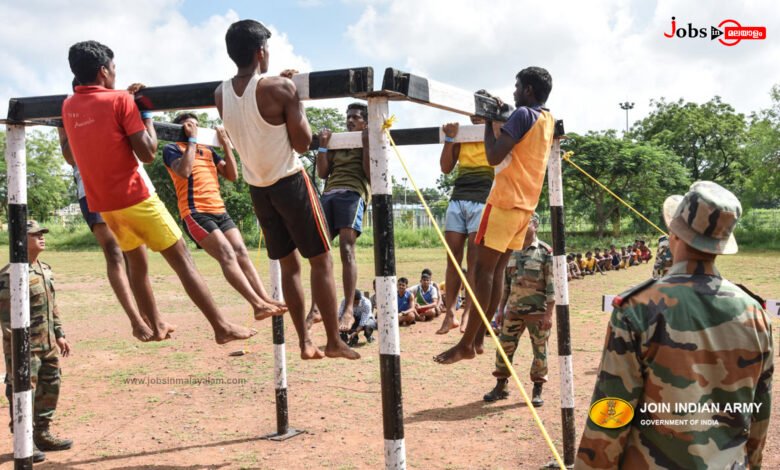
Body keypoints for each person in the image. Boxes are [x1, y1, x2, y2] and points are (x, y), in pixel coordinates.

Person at [62, 40, 254, 344]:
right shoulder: (120, 101)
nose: (115, 73)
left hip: (105, 204)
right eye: (113, 68)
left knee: (136, 264)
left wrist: (125, 98)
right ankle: (221, 326)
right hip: (135, 197)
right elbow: (149, 152)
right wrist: (146, 111)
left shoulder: (68, 105)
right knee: (183, 260)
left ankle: (154, 325)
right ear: (103, 71)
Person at [575, 181, 773, 469]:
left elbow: (612, 411)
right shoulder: (755, 314)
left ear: (674, 234)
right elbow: (759, 414)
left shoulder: (638, 308)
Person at [214, 20, 358, 359]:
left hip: (258, 189)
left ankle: (304, 342)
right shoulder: (279, 88)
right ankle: (334, 341)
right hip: (290, 182)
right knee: (321, 261)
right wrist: (293, 96)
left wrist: (280, 84)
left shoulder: (220, 94)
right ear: (260, 52)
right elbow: (304, 142)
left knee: (290, 267)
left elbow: (252, 114)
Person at [435, 66, 555, 365]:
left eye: (517, 87)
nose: (514, 92)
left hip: (503, 200)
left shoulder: (523, 114)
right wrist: (500, 115)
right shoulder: (547, 118)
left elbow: (493, 156)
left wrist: (489, 124)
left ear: (528, 90)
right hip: (525, 205)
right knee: (497, 271)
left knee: (481, 272)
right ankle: (476, 341)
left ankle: (466, 343)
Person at [162, 113, 286, 320]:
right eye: (189, 126)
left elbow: (231, 175)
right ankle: (257, 305)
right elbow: (183, 172)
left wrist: (226, 144)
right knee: (227, 255)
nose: (195, 128)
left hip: (219, 210)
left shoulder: (208, 150)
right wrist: (191, 140)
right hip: (195, 212)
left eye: (196, 126)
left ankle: (265, 298)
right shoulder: (172, 149)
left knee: (241, 252)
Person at [57, 118, 156, 342]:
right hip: (91, 187)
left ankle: (149, 315)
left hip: (125, 185)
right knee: (113, 251)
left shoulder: (114, 105)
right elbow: (70, 157)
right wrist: (75, 119)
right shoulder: (68, 113)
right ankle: (136, 321)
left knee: (136, 253)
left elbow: (144, 149)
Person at [1, 221, 73, 463]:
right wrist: (19, 349)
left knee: (51, 386)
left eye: (43, 234)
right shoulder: (10, 274)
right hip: (25, 347)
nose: (42, 237)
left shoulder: (44, 269)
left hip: (49, 343)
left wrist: (60, 334)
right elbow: (5, 317)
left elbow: (52, 307)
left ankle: (42, 433)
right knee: (23, 391)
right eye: (35, 234)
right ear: (21, 239)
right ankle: (25, 439)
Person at [483, 214, 554, 407]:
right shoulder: (512, 251)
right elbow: (505, 284)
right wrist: (500, 309)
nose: (522, 224)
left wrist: (549, 314)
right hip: (513, 311)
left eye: (527, 221)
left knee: (540, 352)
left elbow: (551, 286)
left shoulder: (545, 252)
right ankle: (501, 386)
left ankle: (537, 389)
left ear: (536, 225)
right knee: (504, 349)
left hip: (537, 312)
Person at [436, 113, 496, 335]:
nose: (476, 117)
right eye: (473, 113)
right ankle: (449, 312)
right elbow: (445, 168)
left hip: (482, 200)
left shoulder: (493, 132)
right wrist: (450, 139)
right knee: (452, 258)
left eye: (481, 113)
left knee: (474, 260)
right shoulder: (461, 134)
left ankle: (468, 311)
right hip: (458, 199)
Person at [316, 103, 371, 333]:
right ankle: (316, 307)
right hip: (329, 193)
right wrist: (323, 147)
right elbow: (322, 173)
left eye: (356, 117)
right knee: (318, 250)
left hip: (352, 192)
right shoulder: (337, 140)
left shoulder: (367, 139)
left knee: (346, 249)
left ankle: (348, 308)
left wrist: (367, 142)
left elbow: (370, 173)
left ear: (365, 122)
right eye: (348, 116)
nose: (350, 120)